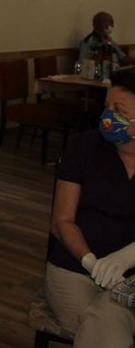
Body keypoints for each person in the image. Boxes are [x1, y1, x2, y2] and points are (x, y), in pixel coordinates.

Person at [45, 66, 135, 347]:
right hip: (74, 270)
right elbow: (62, 221)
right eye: (107, 106)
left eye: (119, 110)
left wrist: (127, 258)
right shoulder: (85, 147)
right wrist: (90, 261)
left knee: (107, 315)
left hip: (131, 278)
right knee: (107, 322)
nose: (108, 117)